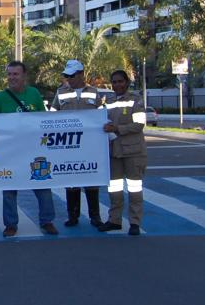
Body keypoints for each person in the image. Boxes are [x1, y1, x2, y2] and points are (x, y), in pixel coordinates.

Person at [0, 61, 59, 237]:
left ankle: (47, 221)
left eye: (16, 74)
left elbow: (43, 120)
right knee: (9, 189)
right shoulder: (0, 98)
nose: (12, 77)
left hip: (33, 150)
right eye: (9, 74)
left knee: (42, 185)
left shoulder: (34, 94)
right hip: (10, 152)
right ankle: (10, 224)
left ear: (23, 76)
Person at [51, 59, 105, 228]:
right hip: (69, 144)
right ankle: (73, 216)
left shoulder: (94, 92)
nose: (69, 79)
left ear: (81, 74)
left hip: (90, 145)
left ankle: (95, 216)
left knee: (92, 181)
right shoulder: (60, 92)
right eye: (67, 76)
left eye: (72, 76)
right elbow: (52, 114)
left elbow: (101, 115)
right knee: (71, 181)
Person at [100, 69, 146, 235]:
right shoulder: (108, 101)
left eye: (120, 81)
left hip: (133, 151)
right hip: (114, 152)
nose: (117, 85)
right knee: (114, 189)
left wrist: (117, 128)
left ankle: (135, 223)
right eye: (114, 82)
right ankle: (115, 220)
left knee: (134, 189)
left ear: (126, 82)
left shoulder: (136, 100)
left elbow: (139, 124)